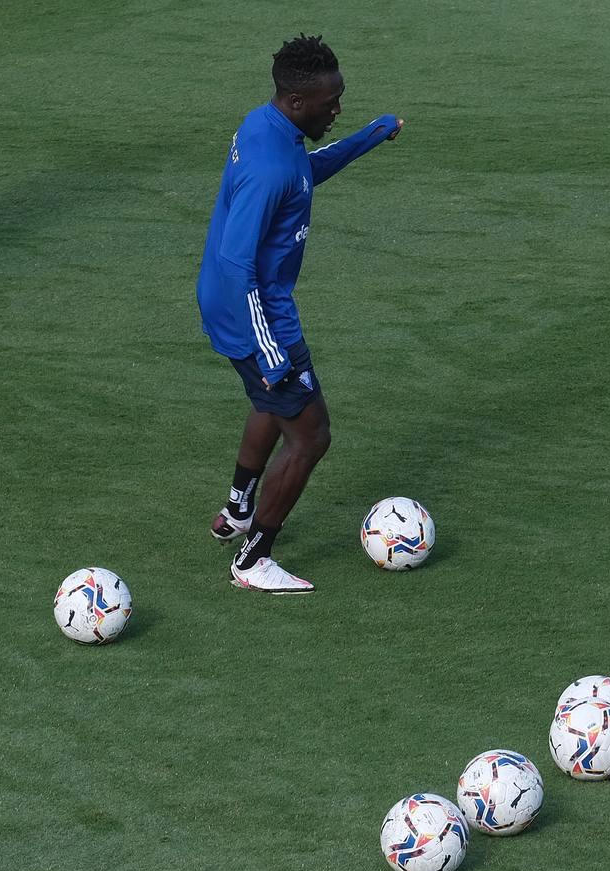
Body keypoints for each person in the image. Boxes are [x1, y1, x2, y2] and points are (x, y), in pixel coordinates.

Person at [196, 34, 404, 594]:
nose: (337, 108)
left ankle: (239, 507)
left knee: (274, 404)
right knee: (311, 435)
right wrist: (271, 352)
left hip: (224, 302)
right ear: (296, 100)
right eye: (329, 102)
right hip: (256, 312)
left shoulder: (268, 127)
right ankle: (254, 558)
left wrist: (369, 137)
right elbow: (239, 261)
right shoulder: (268, 167)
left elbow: (303, 174)